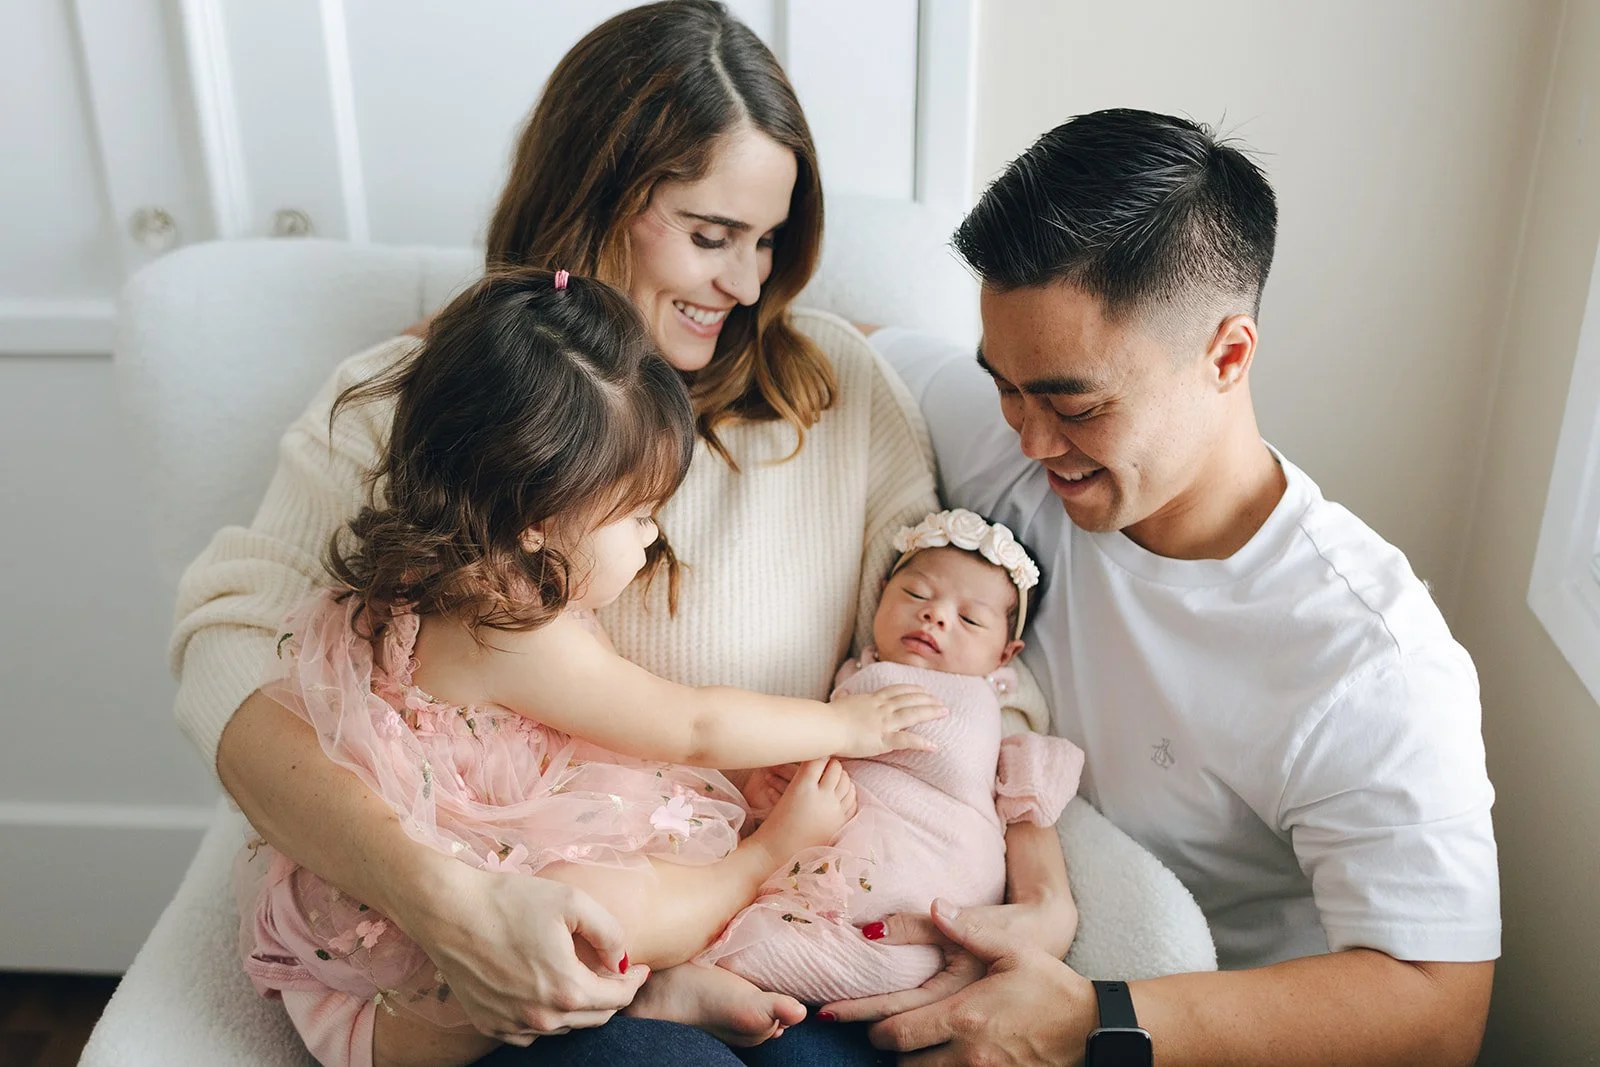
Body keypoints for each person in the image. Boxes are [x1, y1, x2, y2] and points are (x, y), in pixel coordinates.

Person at [169, 3, 1062, 1063]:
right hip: (541, 935)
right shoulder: (425, 399)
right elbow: (233, 646)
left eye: (768, 241)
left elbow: (963, 650)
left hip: (804, 915)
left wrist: (1028, 899)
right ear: (589, 197)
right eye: (709, 235)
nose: (746, 284)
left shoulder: (839, 391)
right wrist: (443, 899)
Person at [831, 108, 1499, 1066]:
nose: (1030, 440)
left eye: (1074, 405)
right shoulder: (1013, 435)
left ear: (1227, 355)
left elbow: (1442, 1011)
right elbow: (837, 345)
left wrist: (1092, 1021)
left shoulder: (1371, 658)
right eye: (1005, 386)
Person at [236, 268, 948, 1067]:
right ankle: (730, 894)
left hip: (420, 902)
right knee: (602, 905)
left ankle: (654, 985)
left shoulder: (444, 573)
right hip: (410, 1006)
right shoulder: (513, 630)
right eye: (638, 515)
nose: (651, 538)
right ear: (535, 518)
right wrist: (843, 725)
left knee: (612, 873)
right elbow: (693, 725)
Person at [695, 508, 1085, 1005]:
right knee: (723, 894)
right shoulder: (845, 685)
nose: (935, 615)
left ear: (1005, 655)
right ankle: (712, 977)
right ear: (880, 595)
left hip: (928, 907)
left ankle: (703, 971)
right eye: (917, 594)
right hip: (815, 882)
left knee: (869, 954)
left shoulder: (979, 709)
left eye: (970, 619)